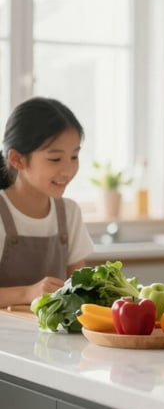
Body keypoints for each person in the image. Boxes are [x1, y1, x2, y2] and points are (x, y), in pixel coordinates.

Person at [0, 97, 92, 307]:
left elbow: (79, 290)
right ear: (18, 160)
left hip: (54, 339)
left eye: (75, 156)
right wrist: (27, 293)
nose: (68, 170)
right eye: (55, 159)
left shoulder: (69, 212)